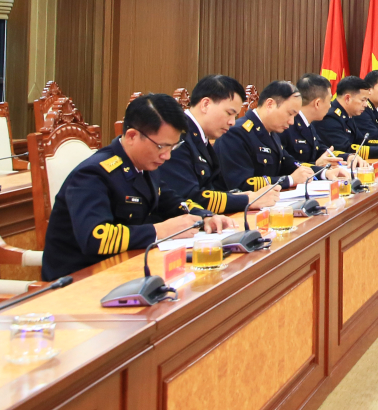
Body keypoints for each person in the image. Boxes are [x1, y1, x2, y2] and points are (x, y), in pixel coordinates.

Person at [42, 94, 236, 280]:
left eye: (172, 147)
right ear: (132, 136)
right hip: (81, 278)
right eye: (161, 147)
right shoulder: (93, 174)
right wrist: (159, 230)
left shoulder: (145, 165)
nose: (167, 156)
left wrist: (204, 217)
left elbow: (171, 201)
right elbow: (96, 238)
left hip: (127, 266)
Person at [154, 74, 277, 214]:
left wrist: (241, 196)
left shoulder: (200, 137)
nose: (232, 122)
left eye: (235, 116)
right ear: (205, 104)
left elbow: (209, 190)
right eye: (229, 113)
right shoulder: (177, 136)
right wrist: (247, 200)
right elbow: (187, 196)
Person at [217, 81, 347, 193]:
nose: (291, 122)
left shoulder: (271, 132)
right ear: (270, 104)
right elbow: (241, 184)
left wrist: (324, 172)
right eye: (290, 114)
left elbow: (290, 164)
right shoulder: (236, 133)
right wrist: (290, 180)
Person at [316, 76, 378, 160]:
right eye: (363, 100)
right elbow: (344, 148)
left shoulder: (348, 114)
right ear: (347, 98)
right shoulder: (330, 117)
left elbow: (362, 141)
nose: (365, 105)